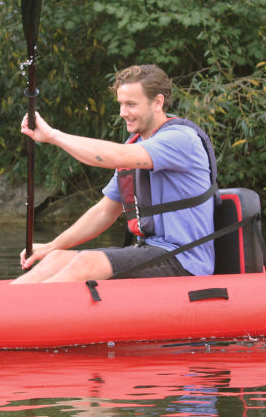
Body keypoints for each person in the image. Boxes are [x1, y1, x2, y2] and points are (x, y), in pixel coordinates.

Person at [13, 64, 217, 284]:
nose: (122, 113)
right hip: (149, 252)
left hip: (184, 260)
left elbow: (114, 156)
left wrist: (53, 136)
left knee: (87, 263)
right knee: (56, 259)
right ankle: (9, 302)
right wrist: (52, 246)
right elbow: (104, 212)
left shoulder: (181, 139)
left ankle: (33, 306)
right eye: (121, 104)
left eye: (131, 104)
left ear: (157, 102)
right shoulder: (136, 145)